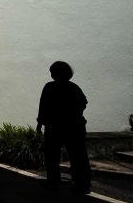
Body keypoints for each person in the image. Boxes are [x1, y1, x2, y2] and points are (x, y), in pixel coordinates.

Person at [36, 60, 92, 194]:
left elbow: (43, 108)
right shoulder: (74, 88)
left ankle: (53, 182)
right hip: (75, 127)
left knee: (52, 156)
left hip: (54, 127)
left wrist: (40, 124)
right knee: (78, 156)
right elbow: (83, 103)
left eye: (52, 73)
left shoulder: (49, 88)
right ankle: (82, 184)